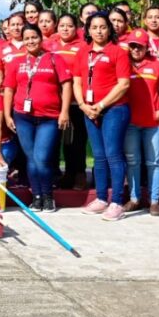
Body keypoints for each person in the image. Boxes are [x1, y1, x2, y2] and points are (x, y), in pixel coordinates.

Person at [3, 24, 71, 212]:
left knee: (41, 157)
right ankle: (37, 196)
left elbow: (66, 85)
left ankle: (48, 195)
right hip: (23, 116)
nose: (31, 41)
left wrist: (64, 112)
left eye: (34, 37)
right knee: (31, 158)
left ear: (41, 39)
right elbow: (9, 89)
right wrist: (8, 114)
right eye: (27, 38)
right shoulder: (16, 62)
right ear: (22, 41)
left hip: (49, 117)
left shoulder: (54, 59)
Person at [73, 12, 131, 221]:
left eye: (103, 27)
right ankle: (100, 198)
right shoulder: (83, 52)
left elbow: (123, 84)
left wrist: (101, 104)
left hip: (114, 109)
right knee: (98, 156)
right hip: (89, 110)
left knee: (113, 154)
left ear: (110, 29)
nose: (99, 31)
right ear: (88, 30)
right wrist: (82, 105)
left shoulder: (118, 52)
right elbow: (76, 81)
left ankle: (116, 201)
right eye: (94, 27)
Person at [123, 31, 159, 216]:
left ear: (147, 47)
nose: (136, 49)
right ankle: (134, 199)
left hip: (153, 122)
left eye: (140, 46)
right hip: (130, 123)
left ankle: (154, 201)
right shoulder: (124, 64)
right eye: (132, 46)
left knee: (154, 162)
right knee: (133, 162)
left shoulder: (156, 65)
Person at [51, 13, 88, 190]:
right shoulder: (50, 44)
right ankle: (65, 174)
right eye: (62, 25)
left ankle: (79, 173)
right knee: (60, 140)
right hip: (53, 102)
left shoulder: (83, 46)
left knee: (77, 140)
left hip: (75, 101)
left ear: (76, 27)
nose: (65, 29)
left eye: (69, 25)